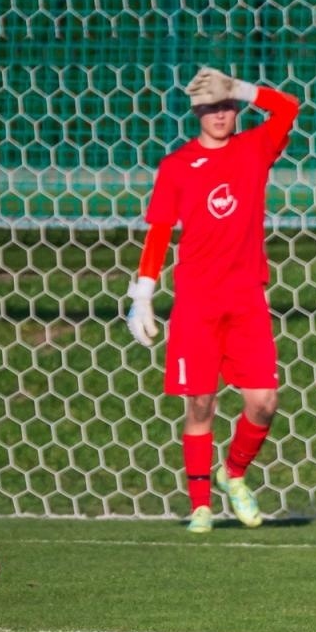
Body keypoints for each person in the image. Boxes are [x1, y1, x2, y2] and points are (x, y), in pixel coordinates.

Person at [126, 67, 301, 534]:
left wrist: (243, 87)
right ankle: (201, 504)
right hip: (196, 304)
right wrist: (143, 293)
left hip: (246, 300)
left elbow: (288, 108)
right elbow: (160, 230)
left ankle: (234, 473)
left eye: (227, 104)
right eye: (210, 105)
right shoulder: (177, 166)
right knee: (200, 403)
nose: (220, 113)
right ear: (195, 110)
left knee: (264, 402)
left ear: (236, 108)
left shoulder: (254, 149)